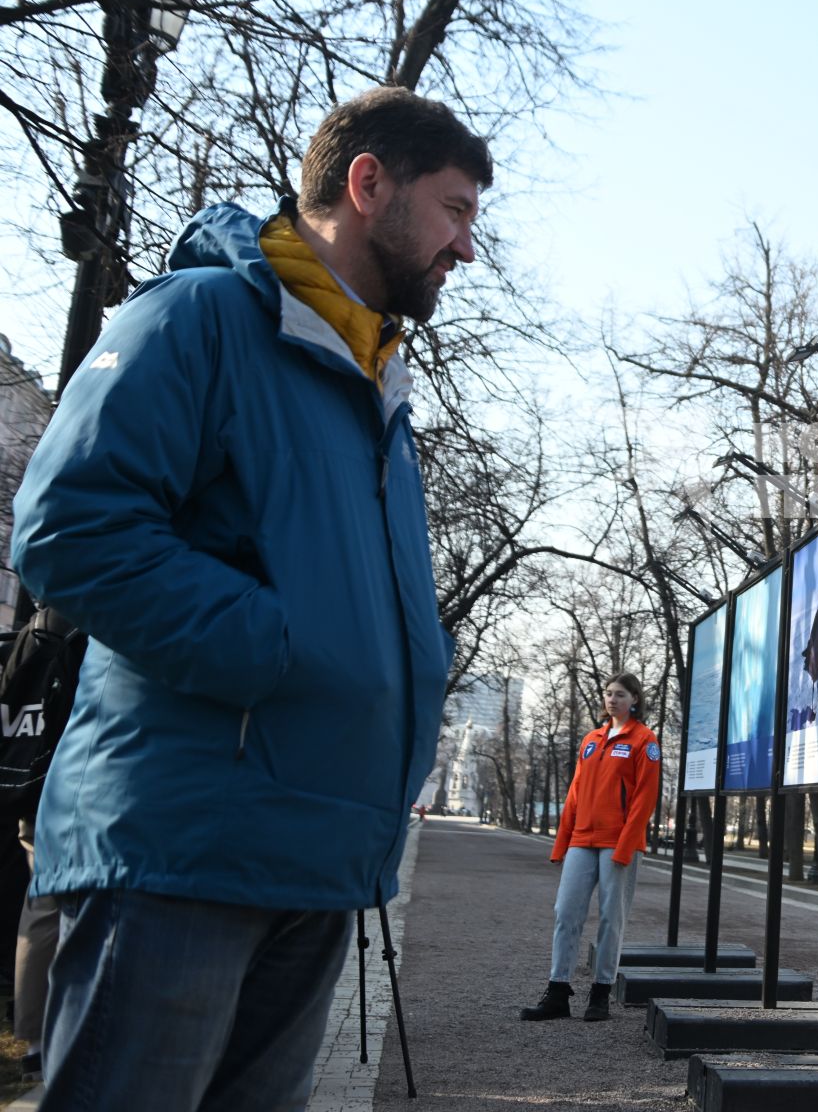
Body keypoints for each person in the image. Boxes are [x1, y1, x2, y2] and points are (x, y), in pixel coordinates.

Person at [8, 86, 489, 1111]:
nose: (466, 248)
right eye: (454, 210)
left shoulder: (376, 390)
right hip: (183, 851)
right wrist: (279, 645)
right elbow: (68, 527)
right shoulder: (198, 318)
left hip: (312, 858)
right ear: (369, 185)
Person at [522, 673, 662, 1023]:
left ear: (634, 700)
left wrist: (626, 846)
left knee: (611, 920)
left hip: (619, 844)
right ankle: (558, 992)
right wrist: (562, 843)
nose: (612, 700)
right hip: (582, 840)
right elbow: (575, 794)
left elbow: (645, 799)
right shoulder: (591, 739)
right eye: (609, 694)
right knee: (565, 912)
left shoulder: (645, 740)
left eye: (620, 695)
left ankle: (600, 993)